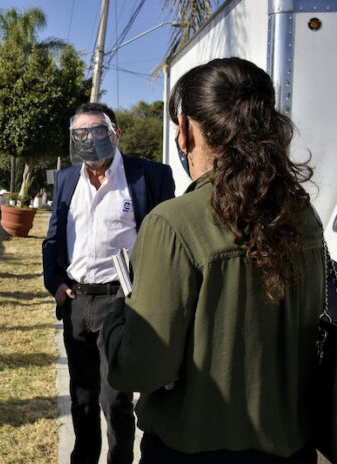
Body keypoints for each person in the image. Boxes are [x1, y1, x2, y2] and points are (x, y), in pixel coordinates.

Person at [102, 57, 322, 463]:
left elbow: (142, 368)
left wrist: (118, 315)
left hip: (191, 450)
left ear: (185, 130)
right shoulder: (303, 215)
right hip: (295, 448)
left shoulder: (173, 223)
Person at [42, 102, 175, 464]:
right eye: (80, 133)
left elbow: (164, 241)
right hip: (76, 301)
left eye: (97, 131)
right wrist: (54, 284)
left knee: (116, 398)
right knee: (82, 397)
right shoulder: (68, 179)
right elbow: (53, 239)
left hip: (121, 302)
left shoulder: (148, 176)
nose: (89, 139)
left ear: (115, 133)